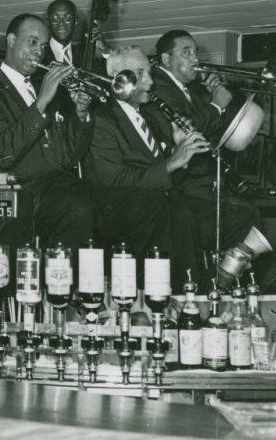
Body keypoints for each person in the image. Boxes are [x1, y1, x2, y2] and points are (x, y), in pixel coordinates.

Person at [88, 46, 252, 285]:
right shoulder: (102, 119)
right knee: (181, 216)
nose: (150, 81)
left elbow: (168, 175)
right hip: (124, 209)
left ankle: (219, 280)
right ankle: (190, 289)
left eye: (149, 73)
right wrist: (173, 162)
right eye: (141, 73)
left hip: (161, 204)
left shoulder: (149, 116)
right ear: (118, 79)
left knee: (239, 213)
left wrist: (179, 149)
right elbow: (116, 180)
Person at [0, 14, 99, 249]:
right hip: (20, 190)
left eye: (44, 46)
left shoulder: (43, 90)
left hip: (59, 185)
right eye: (33, 42)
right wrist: (40, 103)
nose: (40, 51)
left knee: (133, 202)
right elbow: (2, 152)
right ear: (11, 40)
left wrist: (80, 112)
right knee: (79, 206)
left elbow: (68, 158)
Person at [151, 29, 263, 240]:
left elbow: (215, 129)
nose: (195, 59)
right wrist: (215, 105)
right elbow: (184, 127)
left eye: (195, 52)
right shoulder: (158, 87)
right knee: (245, 216)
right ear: (166, 59)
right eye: (186, 52)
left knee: (248, 216)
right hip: (186, 184)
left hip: (203, 182)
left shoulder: (188, 90)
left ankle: (232, 261)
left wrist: (218, 100)